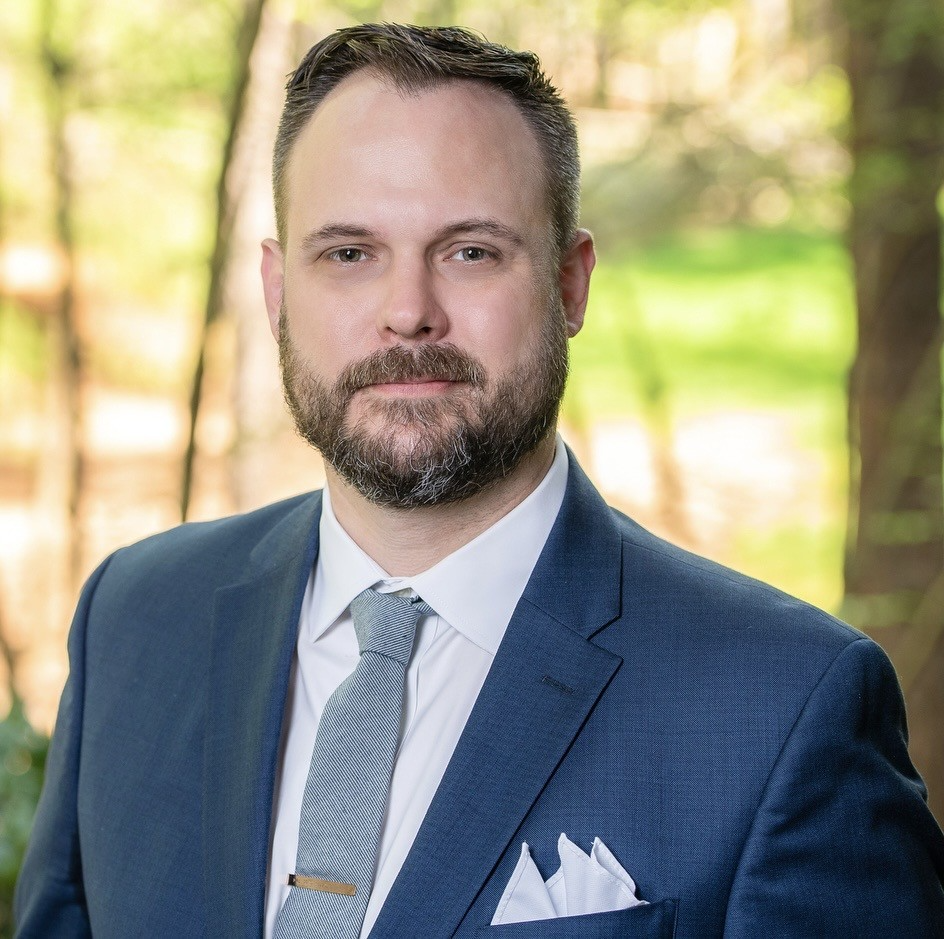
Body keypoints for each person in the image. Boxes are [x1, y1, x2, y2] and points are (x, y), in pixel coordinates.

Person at [14, 22, 944, 939]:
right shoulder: (134, 621)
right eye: (348, 253)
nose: (407, 312)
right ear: (277, 289)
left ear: (571, 284)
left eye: (470, 251)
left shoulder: (785, 708)